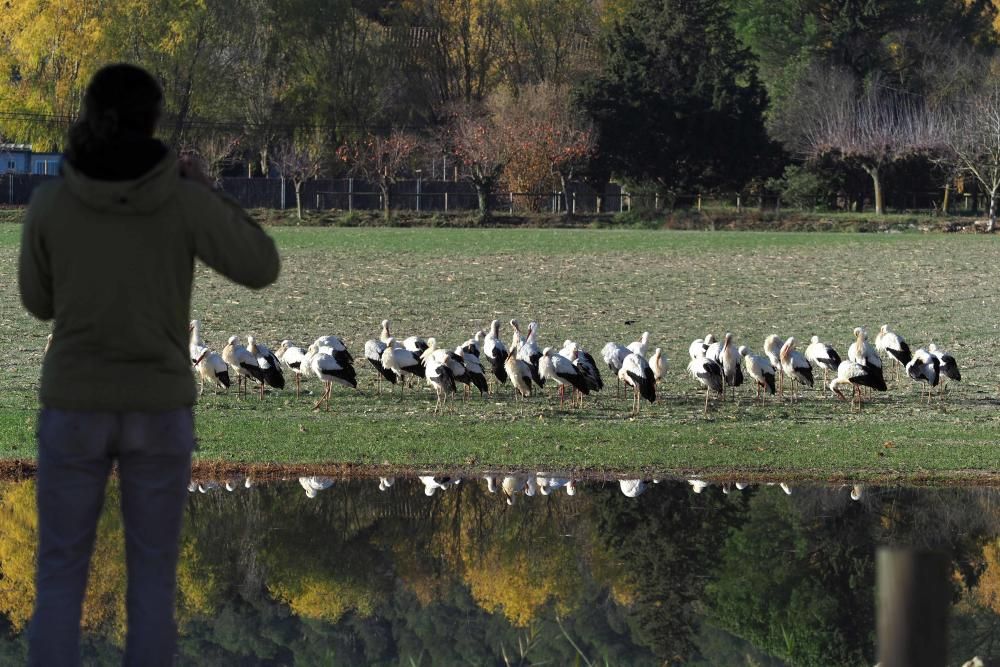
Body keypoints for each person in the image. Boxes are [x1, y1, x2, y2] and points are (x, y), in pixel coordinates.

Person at [18, 63, 280, 665]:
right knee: (153, 586)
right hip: (158, 408)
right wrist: (205, 189)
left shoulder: (52, 202)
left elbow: (37, 303)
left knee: (59, 578)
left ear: (88, 115)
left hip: (75, 406)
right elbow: (261, 265)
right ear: (154, 121)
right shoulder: (181, 200)